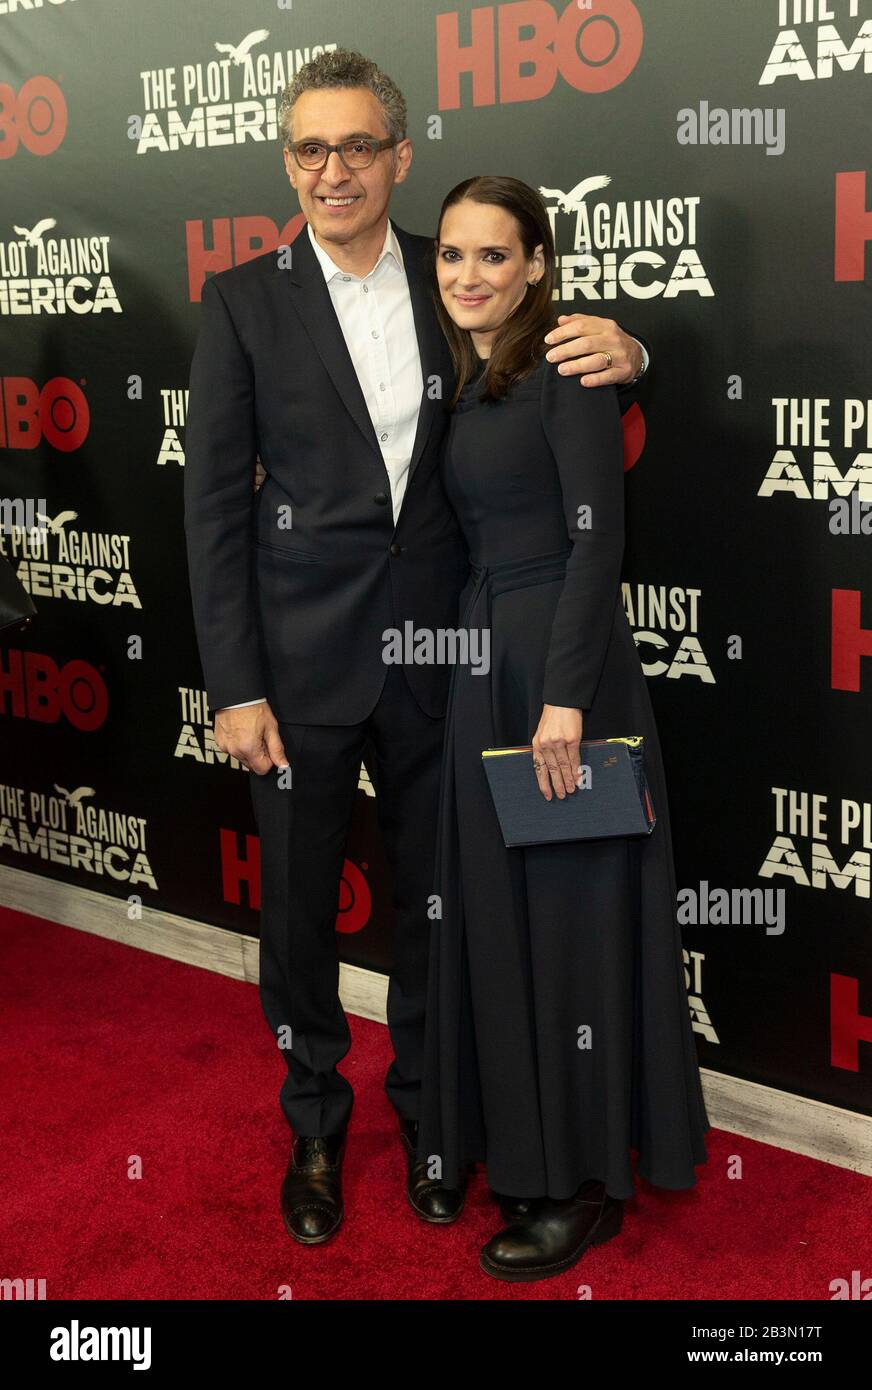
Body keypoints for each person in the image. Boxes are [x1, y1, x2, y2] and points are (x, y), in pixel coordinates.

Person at [183, 48, 649, 1248]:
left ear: (399, 155)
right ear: (286, 161)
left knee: (444, 909)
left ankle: (436, 1129)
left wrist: (632, 348)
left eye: (353, 146)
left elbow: (546, 361)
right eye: (306, 149)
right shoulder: (242, 300)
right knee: (296, 917)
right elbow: (215, 511)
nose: (329, 170)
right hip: (295, 668)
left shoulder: (451, 279)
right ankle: (317, 1132)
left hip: (451, 657)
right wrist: (232, 682)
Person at [416, 176, 710, 1282]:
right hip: (485, 662)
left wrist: (564, 697)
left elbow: (598, 541)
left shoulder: (568, 365)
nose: (468, 277)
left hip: (560, 673)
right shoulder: (472, 377)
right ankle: (520, 1148)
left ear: (537, 264)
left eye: (494, 256)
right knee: (504, 918)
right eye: (451, 256)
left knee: (576, 923)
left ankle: (581, 1184)